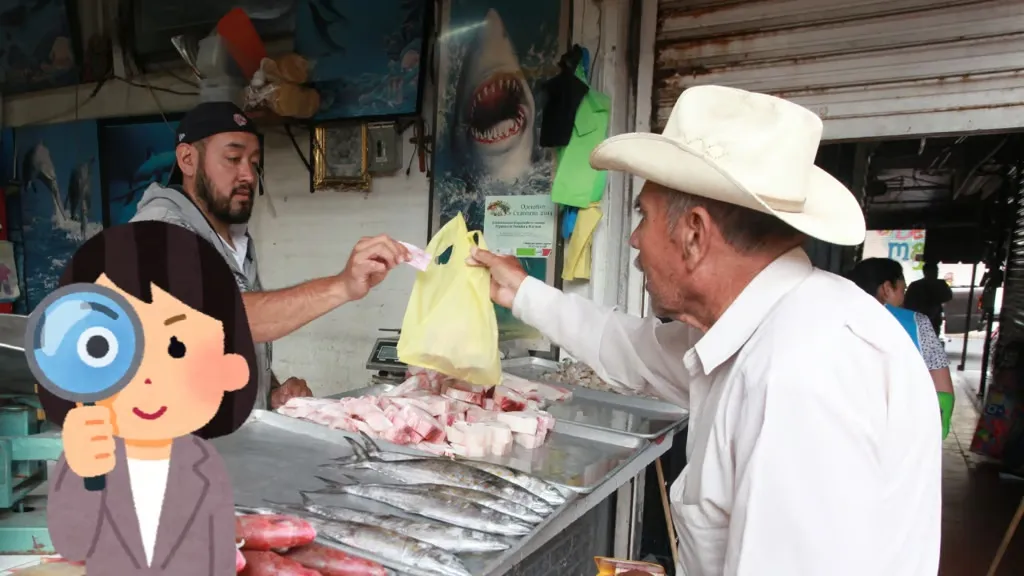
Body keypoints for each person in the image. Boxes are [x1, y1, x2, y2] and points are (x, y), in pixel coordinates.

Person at [467, 85, 941, 575]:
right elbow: (631, 348)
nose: (633, 240)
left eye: (643, 217)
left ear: (694, 234)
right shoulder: (766, 326)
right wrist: (521, 291)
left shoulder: (799, 375)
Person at [130, 102, 411, 411]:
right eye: (233, 159)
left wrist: (271, 392)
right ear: (187, 159)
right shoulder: (156, 230)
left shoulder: (234, 240)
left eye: (254, 162)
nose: (248, 174)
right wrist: (341, 286)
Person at [38, 221, 257, 575]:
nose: (147, 377)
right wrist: (85, 476)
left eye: (177, 346)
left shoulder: (204, 462)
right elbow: (72, 543)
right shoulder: (83, 459)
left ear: (229, 366)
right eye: (108, 349)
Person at [847, 257, 956, 439]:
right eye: (902, 289)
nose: (904, 296)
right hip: (900, 433)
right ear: (887, 289)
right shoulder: (917, 323)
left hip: (847, 431)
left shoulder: (833, 319)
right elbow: (943, 393)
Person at [903, 261, 953, 337]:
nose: (935, 273)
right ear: (925, 272)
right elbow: (948, 296)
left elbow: (907, 303)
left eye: (936, 271)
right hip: (923, 319)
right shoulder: (939, 284)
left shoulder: (916, 285)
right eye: (933, 271)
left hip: (926, 319)